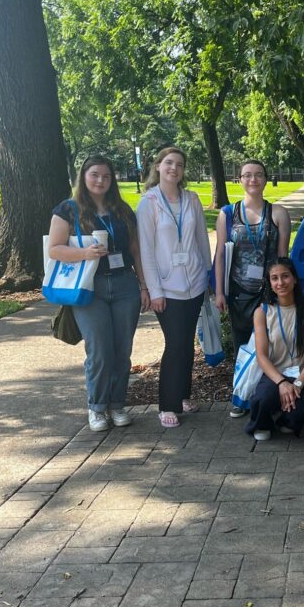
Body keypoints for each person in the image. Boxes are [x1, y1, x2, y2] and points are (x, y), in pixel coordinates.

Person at [46, 155, 149, 432]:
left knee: (122, 350)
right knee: (100, 351)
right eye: (94, 175)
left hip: (125, 285)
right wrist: (84, 253)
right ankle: (97, 407)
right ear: (83, 176)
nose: (100, 180)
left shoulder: (122, 210)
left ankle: (117, 405)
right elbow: (54, 249)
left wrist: (143, 285)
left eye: (106, 176)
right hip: (90, 288)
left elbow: (135, 250)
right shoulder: (68, 210)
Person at [137, 146, 212, 428]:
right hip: (167, 289)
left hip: (194, 283)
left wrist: (208, 275)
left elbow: (202, 240)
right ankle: (167, 405)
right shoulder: (149, 202)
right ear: (158, 166)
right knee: (175, 343)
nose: (174, 168)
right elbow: (146, 250)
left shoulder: (192, 199)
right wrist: (154, 290)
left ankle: (183, 395)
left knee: (187, 343)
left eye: (179, 164)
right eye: (169, 163)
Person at [214, 159, 291, 418]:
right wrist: (220, 292)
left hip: (269, 291)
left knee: (272, 345)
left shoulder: (277, 213)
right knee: (242, 346)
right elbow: (220, 255)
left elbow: (283, 257)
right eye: (247, 175)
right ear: (240, 179)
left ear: (266, 179)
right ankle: (241, 395)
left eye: (258, 174)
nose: (253, 179)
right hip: (240, 291)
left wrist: (283, 292)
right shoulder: (228, 214)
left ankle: (264, 396)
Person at [247, 258, 304, 441]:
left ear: (294, 279)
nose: (280, 282)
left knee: (296, 417)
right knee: (262, 400)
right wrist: (282, 383)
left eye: (285, 276)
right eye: (274, 278)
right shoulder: (263, 312)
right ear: (270, 282)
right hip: (276, 373)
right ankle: (264, 422)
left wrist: (297, 384)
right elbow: (262, 356)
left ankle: (284, 417)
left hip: (303, 374)